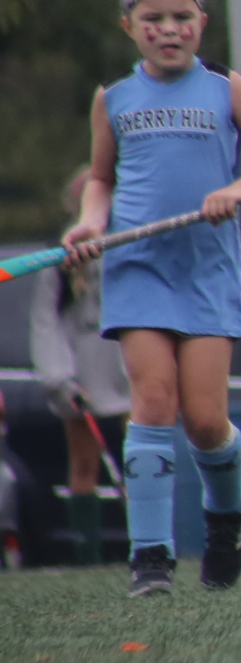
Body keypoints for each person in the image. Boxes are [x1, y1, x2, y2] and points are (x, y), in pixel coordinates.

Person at [60, 0, 241, 596]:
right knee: (153, 403)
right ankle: (152, 558)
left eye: (181, 18)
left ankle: (227, 522)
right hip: (138, 267)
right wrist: (90, 224)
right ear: (129, 27)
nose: (168, 30)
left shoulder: (226, 89)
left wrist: (238, 188)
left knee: (203, 420)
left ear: (201, 22)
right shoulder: (112, 100)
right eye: (153, 20)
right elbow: (103, 181)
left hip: (206, 269)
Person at [31, 166, 133, 564]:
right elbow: (45, 321)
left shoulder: (126, 242)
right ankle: (87, 555)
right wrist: (59, 377)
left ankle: (152, 545)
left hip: (125, 363)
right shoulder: (61, 258)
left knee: (142, 455)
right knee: (85, 462)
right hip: (82, 368)